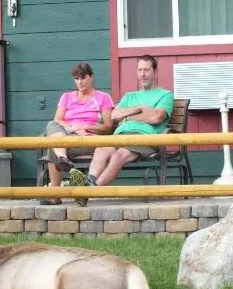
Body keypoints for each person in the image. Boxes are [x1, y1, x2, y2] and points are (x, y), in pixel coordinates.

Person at [68, 55, 174, 205]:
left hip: (144, 137)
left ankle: (89, 192)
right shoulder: (130, 96)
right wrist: (139, 110)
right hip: (120, 135)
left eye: (146, 70)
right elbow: (114, 115)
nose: (142, 74)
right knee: (101, 150)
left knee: (118, 156)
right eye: (139, 70)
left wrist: (128, 117)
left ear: (155, 72)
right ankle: (89, 181)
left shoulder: (165, 95)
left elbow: (156, 117)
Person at [40, 62, 114, 205]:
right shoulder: (67, 97)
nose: (79, 82)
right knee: (52, 124)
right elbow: (58, 120)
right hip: (68, 135)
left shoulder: (103, 97)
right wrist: (74, 128)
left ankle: (55, 195)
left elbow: (108, 127)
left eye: (83, 78)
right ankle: (63, 158)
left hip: (89, 138)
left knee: (53, 147)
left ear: (91, 77)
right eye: (76, 79)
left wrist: (86, 127)